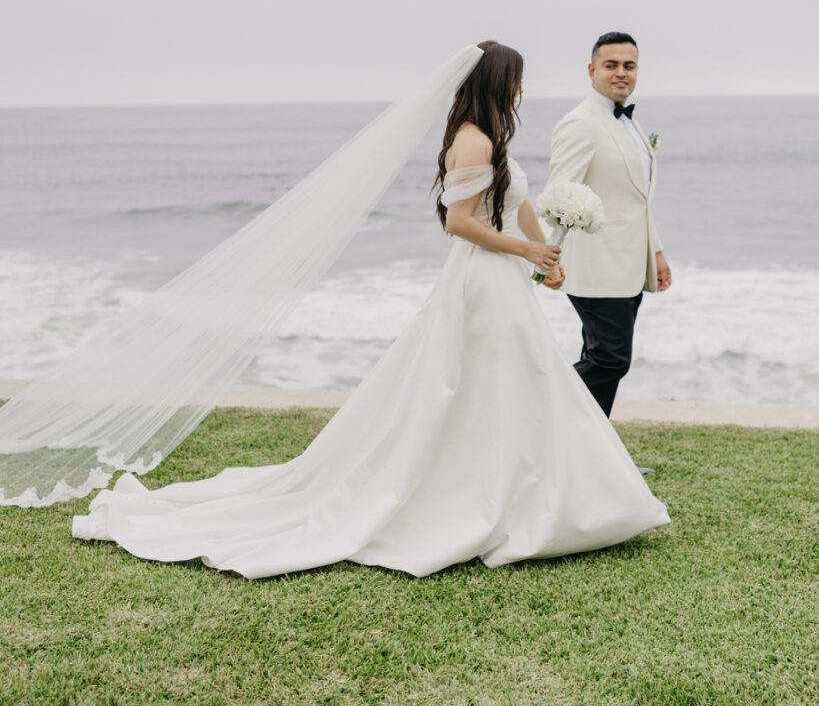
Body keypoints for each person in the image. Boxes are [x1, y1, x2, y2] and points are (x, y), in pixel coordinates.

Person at [72, 41, 669, 578]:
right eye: (515, 79)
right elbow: (460, 224)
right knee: (483, 384)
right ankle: (486, 495)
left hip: (506, 279)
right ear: (495, 81)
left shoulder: (495, 136)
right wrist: (527, 250)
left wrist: (543, 259)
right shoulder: (472, 137)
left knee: (516, 384)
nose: (520, 89)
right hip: (481, 283)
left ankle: (529, 486)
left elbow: (516, 202)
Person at [546, 32, 671, 429]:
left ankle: (590, 457)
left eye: (629, 66)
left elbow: (637, 199)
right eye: (611, 65)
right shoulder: (580, 124)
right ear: (592, 70)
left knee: (603, 357)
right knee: (609, 360)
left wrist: (656, 252)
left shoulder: (632, 124)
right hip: (596, 269)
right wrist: (547, 258)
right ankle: (540, 419)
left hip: (630, 265)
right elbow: (558, 197)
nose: (621, 73)